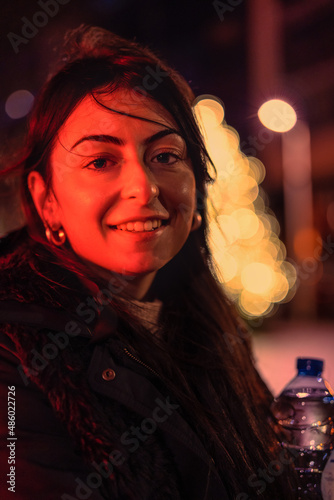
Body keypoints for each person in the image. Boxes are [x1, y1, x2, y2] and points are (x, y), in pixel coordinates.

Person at [0, 25, 297, 499]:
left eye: (164, 155)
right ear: (45, 198)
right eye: (100, 161)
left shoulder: (207, 323)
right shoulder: (14, 353)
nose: (145, 187)